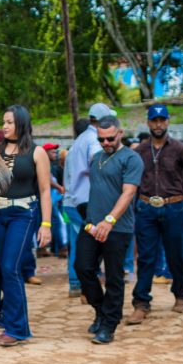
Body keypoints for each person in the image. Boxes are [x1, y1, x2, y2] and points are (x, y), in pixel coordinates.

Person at [0, 105, 51, 347]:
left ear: (21, 123)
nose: (4, 126)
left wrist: (46, 225)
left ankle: (17, 329)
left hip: (24, 214)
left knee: (10, 268)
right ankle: (13, 326)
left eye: (9, 122)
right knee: (3, 267)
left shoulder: (38, 153)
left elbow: (46, 190)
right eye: (4, 122)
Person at [127, 104, 183, 325]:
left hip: (174, 208)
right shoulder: (140, 151)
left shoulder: (180, 149)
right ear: (148, 122)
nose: (158, 124)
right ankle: (141, 303)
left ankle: (181, 293)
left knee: (175, 255)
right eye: (154, 120)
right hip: (146, 209)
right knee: (145, 257)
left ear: (168, 121)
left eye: (162, 120)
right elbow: (128, 180)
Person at [74, 116, 143, 344]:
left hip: (117, 228)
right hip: (92, 225)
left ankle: (109, 325)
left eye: (110, 138)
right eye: (101, 139)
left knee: (114, 277)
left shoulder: (131, 159)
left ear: (120, 133)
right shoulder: (97, 158)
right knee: (82, 267)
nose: (105, 143)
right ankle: (101, 311)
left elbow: (128, 193)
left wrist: (110, 220)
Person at [64, 106, 114, 297]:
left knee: (78, 242)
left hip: (72, 200)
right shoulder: (94, 141)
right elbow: (98, 161)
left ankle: (77, 283)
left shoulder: (79, 141)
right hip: (86, 202)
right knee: (91, 244)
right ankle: (84, 284)